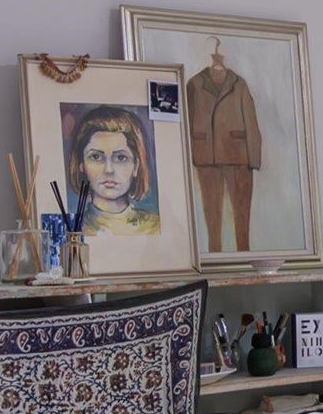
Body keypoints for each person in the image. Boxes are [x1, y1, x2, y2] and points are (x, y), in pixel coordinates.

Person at [185, 38, 263, 253]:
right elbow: (185, 120)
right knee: (212, 215)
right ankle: (214, 257)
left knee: (241, 213)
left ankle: (244, 255)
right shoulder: (194, 84)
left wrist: (254, 159)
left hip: (239, 156)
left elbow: (251, 119)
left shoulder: (239, 84)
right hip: (206, 156)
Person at [66, 106, 164, 235]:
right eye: (96, 157)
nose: (109, 170)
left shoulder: (156, 227)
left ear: (136, 166)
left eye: (121, 158)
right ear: (81, 165)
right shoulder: (71, 230)